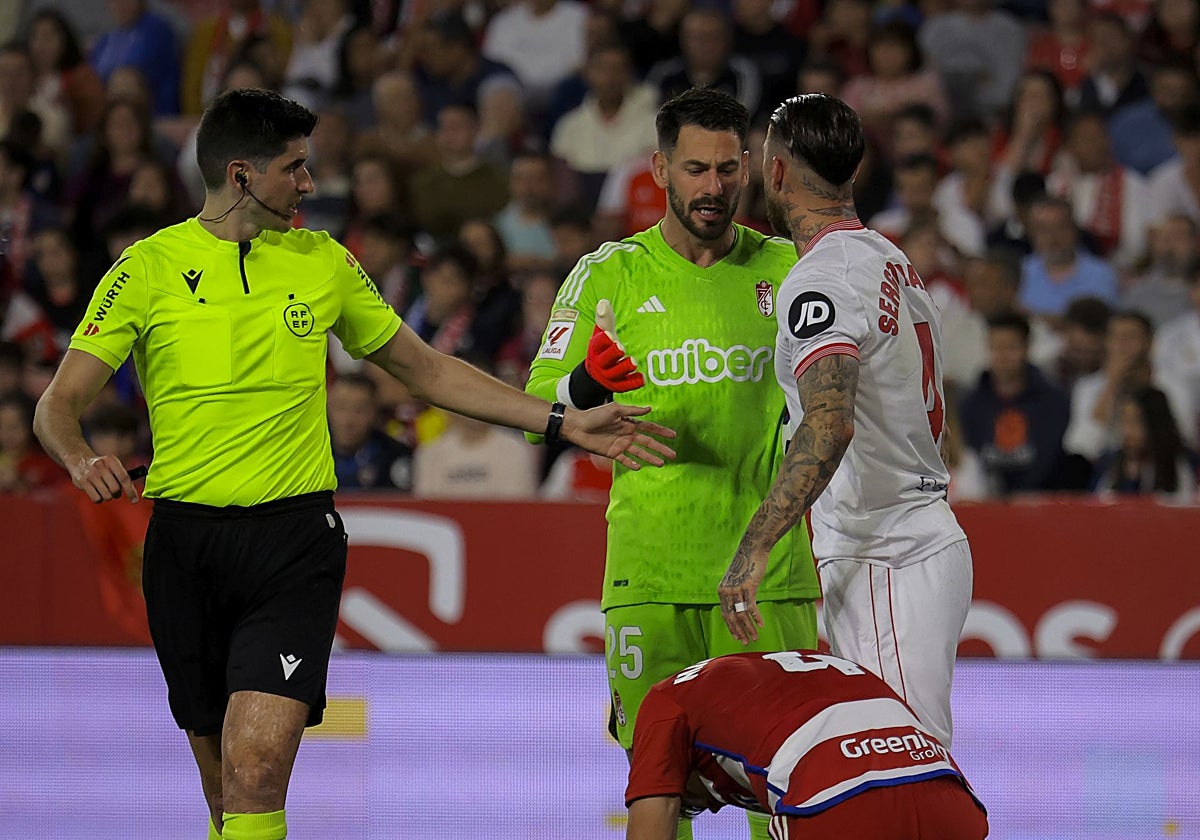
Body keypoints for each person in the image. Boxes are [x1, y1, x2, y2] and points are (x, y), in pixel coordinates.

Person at [31, 88, 676, 840]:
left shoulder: (324, 262)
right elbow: (57, 404)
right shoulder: (146, 268)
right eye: (294, 169)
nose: (310, 185)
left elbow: (427, 370)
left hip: (293, 540)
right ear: (240, 175)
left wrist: (563, 420)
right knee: (223, 790)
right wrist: (79, 458)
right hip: (183, 545)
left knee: (256, 769)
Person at [526, 86, 820, 840]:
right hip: (650, 573)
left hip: (769, 573)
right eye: (695, 168)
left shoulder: (791, 269)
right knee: (657, 786)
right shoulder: (607, 276)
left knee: (782, 781)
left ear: (751, 168)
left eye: (729, 169)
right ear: (659, 168)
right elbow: (541, 406)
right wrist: (589, 383)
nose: (714, 188)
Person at [718, 94, 972, 750]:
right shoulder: (890, 260)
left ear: (775, 174)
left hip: (887, 552)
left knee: (907, 770)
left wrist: (755, 545)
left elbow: (830, 423)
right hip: (902, 539)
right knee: (898, 768)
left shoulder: (820, 280)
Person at [625, 650, 988, 840]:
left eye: (692, 806)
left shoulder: (662, 703)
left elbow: (651, 823)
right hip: (954, 801)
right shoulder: (803, 673)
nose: (714, 809)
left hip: (842, 805)